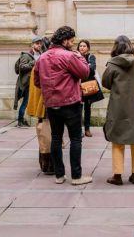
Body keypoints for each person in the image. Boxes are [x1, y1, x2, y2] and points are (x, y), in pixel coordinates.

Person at [34, 25, 93, 185]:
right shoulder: (69, 56)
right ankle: (76, 176)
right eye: (72, 41)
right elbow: (84, 72)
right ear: (65, 40)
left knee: (55, 138)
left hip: (51, 104)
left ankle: (59, 175)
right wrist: (80, 57)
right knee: (75, 139)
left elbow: (37, 82)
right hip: (70, 103)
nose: (73, 43)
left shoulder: (42, 58)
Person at [102, 35, 134, 185]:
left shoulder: (112, 65)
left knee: (117, 141)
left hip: (118, 107)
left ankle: (118, 175)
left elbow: (106, 83)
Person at [28, 37, 53, 174]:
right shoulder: (44, 63)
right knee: (48, 135)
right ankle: (49, 165)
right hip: (46, 103)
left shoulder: (40, 62)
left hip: (42, 104)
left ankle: (45, 164)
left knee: (45, 135)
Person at [78, 40, 104, 137]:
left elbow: (92, 69)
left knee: (87, 108)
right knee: (78, 109)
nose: (82, 48)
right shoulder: (75, 56)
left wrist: (82, 66)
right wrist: (87, 66)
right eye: (80, 46)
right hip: (78, 86)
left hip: (88, 86)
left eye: (84, 46)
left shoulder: (91, 57)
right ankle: (79, 130)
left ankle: (87, 129)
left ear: (88, 47)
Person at [14, 36, 42, 127]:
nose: (39, 45)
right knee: (26, 102)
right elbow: (21, 67)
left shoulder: (41, 54)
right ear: (32, 44)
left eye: (40, 43)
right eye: (37, 43)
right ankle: (20, 120)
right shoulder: (26, 55)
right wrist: (32, 63)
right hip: (28, 83)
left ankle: (30, 120)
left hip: (37, 82)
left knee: (34, 101)